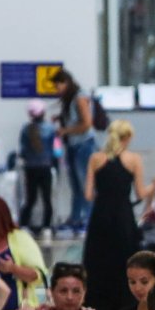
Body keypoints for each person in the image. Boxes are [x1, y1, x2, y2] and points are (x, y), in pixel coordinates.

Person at [85, 121, 155, 310]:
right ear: (127, 138)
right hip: (122, 215)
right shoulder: (134, 159)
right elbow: (140, 192)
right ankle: (124, 302)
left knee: (99, 259)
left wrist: (104, 197)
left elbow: (88, 194)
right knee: (125, 259)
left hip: (100, 215)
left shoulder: (95, 158)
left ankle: (97, 301)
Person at [51, 69, 97, 232]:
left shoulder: (79, 98)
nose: (57, 90)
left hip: (83, 146)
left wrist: (65, 131)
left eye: (58, 86)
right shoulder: (69, 100)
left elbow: (86, 124)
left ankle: (89, 219)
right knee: (76, 185)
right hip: (73, 146)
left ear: (66, 83)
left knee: (86, 184)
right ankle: (76, 217)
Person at [16, 101, 57, 234]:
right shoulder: (51, 129)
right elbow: (56, 150)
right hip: (46, 167)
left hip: (30, 169)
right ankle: (47, 227)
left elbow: (21, 151)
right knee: (47, 198)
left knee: (30, 199)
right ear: (44, 113)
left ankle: (23, 225)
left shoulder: (25, 129)